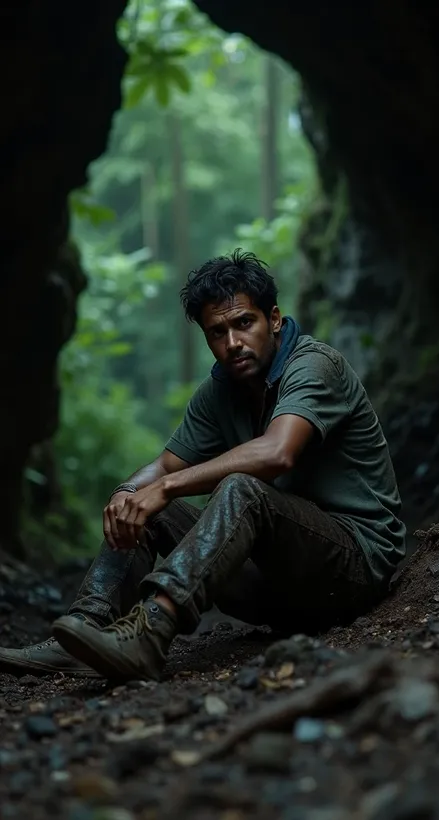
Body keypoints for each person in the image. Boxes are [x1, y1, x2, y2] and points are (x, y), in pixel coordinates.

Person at [0, 250, 406, 682]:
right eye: (217, 332)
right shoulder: (222, 390)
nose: (232, 343)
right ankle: (85, 628)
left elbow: (276, 453)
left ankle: (150, 633)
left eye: (243, 323)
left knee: (241, 487)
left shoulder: (314, 366)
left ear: (274, 319)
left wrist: (170, 486)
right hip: (280, 586)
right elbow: (164, 465)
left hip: (354, 568)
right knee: (141, 502)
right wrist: (126, 493)